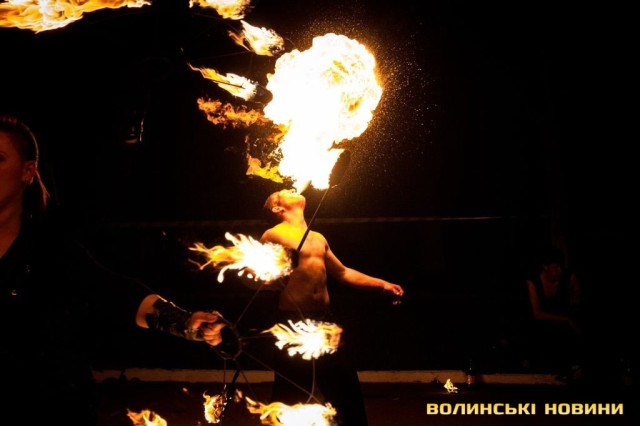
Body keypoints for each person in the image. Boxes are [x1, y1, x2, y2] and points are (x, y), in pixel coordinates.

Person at [0, 114, 225, 424]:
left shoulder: (51, 248)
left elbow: (115, 293)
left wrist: (185, 322)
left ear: (27, 172)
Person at [260, 188, 404, 426]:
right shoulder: (273, 235)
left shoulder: (318, 237)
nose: (291, 188)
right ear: (278, 208)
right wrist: (270, 278)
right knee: (289, 393)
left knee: (345, 388)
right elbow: (257, 273)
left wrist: (382, 284)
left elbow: (343, 273)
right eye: (283, 191)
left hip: (325, 321)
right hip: (293, 323)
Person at [523, 246, 583, 380]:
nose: (559, 271)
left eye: (560, 267)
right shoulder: (533, 281)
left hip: (562, 327)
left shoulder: (567, 278)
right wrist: (566, 319)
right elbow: (537, 313)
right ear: (545, 267)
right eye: (555, 267)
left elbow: (577, 303)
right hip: (542, 325)